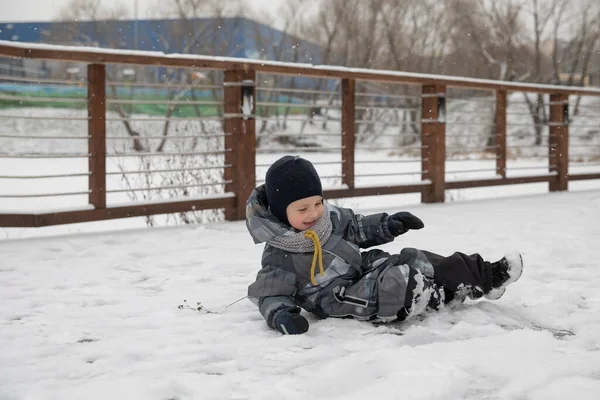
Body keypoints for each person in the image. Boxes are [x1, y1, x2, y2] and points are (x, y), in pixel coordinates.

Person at [245, 155, 523, 335]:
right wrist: (281, 315)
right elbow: (269, 294)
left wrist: (389, 225)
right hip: (336, 297)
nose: (313, 213)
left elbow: (357, 227)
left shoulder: (331, 219)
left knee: (415, 258)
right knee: (396, 282)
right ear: (282, 212)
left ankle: (485, 276)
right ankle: (439, 295)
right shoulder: (280, 254)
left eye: (318, 202)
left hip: (362, 267)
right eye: (302, 208)